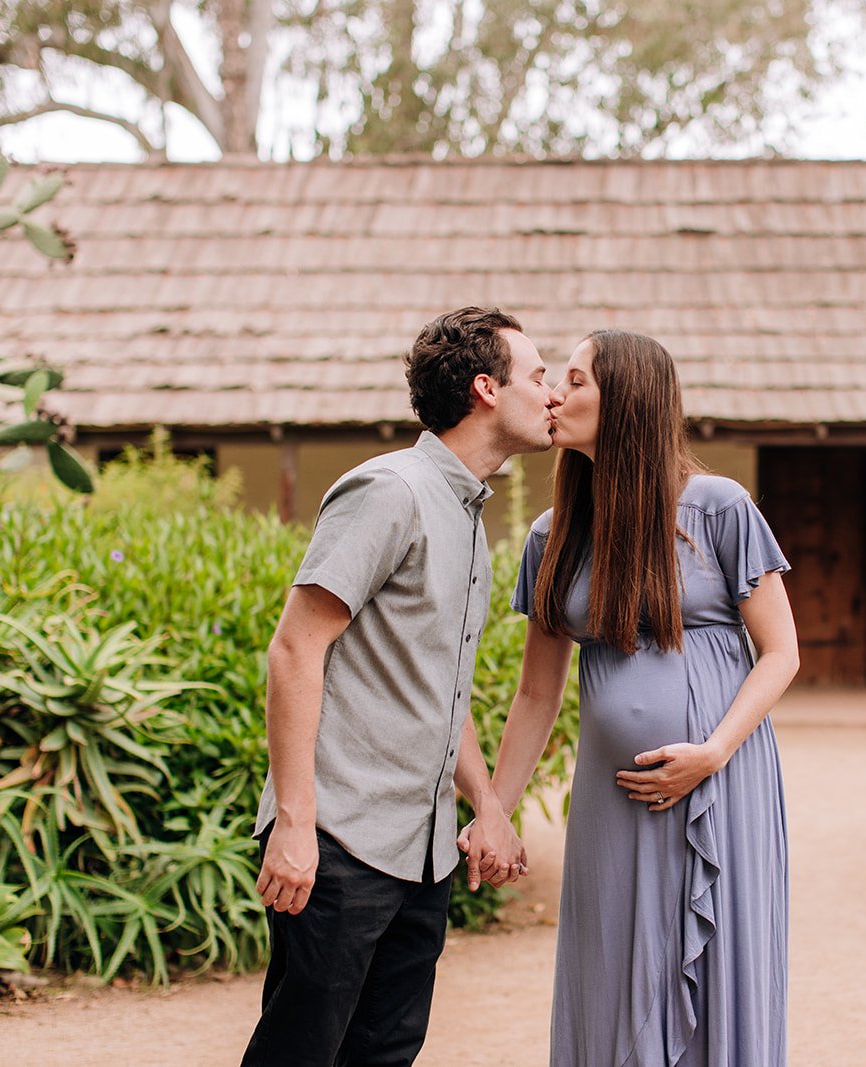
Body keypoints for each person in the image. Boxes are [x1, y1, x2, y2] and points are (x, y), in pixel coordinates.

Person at [464, 329, 800, 1065]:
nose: (555, 393)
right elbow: (535, 693)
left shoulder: (719, 508)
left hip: (723, 785)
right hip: (613, 803)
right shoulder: (553, 535)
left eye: (576, 381)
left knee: (718, 975)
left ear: (628, 400)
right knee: (613, 977)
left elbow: (781, 653)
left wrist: (711, 752)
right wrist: (496, 807)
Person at [243, 306, 552, 1066]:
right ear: (487, 386)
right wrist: (295, 823)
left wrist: (489, 804)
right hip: (342, 843)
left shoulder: (469, 518)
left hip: (423, 858)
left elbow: (438, 694)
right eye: (539, 375)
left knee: (384, 1054)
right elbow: (294, 649)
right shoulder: (389, 490)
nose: (552, 393)